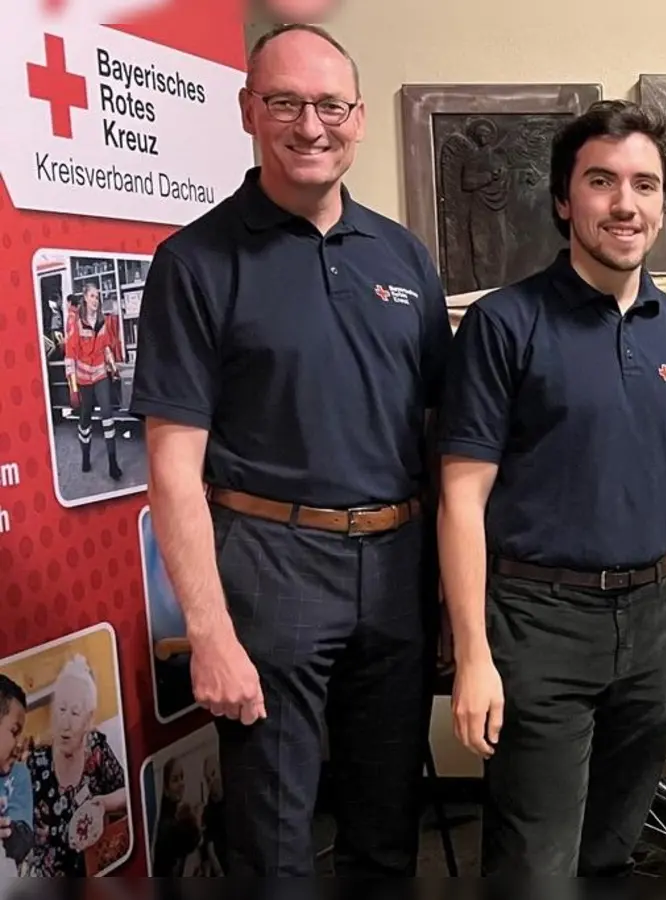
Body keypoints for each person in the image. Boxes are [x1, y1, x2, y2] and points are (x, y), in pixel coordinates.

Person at [437, 99, 666, 878]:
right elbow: (462, 499)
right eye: (602, 181)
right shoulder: (505, 325)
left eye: (644, 184)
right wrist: (472, 654)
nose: (624, 202)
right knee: (536, 864)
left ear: (662, 204)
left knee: (613, 855)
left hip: (650, 624)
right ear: (564, 201)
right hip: (537, 622)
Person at [129, 24, 450, 876]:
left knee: (388, 832)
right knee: (273, 845)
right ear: (248, 111)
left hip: (395, 569)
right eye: (285, 103)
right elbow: (171, 467)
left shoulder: (405, 257)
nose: (312, 126)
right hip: (269, 570)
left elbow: (435, 434)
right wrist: (210, 634)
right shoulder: (195, 262)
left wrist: (449, 597)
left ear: (358, 119)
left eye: (331, 106)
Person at [23, 655, 128, 876]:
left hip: (96, 870)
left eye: (75, 713)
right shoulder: (36, 763)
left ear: (89, 719)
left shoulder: (96, 749)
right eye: (61, 710)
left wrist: (103, 804)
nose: (66, 723)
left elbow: (129, 793)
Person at [62, 283, 125, 481]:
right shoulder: (76, 322)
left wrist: (113, 368)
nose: (96, 300)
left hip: (99, 374)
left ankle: (113, 464)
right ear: (84, 298)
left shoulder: (102, 321)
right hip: (82, 377)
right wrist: (73, 387)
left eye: (97, 297)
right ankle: (86, 457)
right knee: (85, 418)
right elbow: (70, 355)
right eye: (92, 296)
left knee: (107, 414)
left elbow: (106, 347)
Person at [0, 675, 34, 876]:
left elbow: (22, 844)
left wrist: (8, 832)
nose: (20, 743)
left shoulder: (19, 775)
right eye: (14, 732)